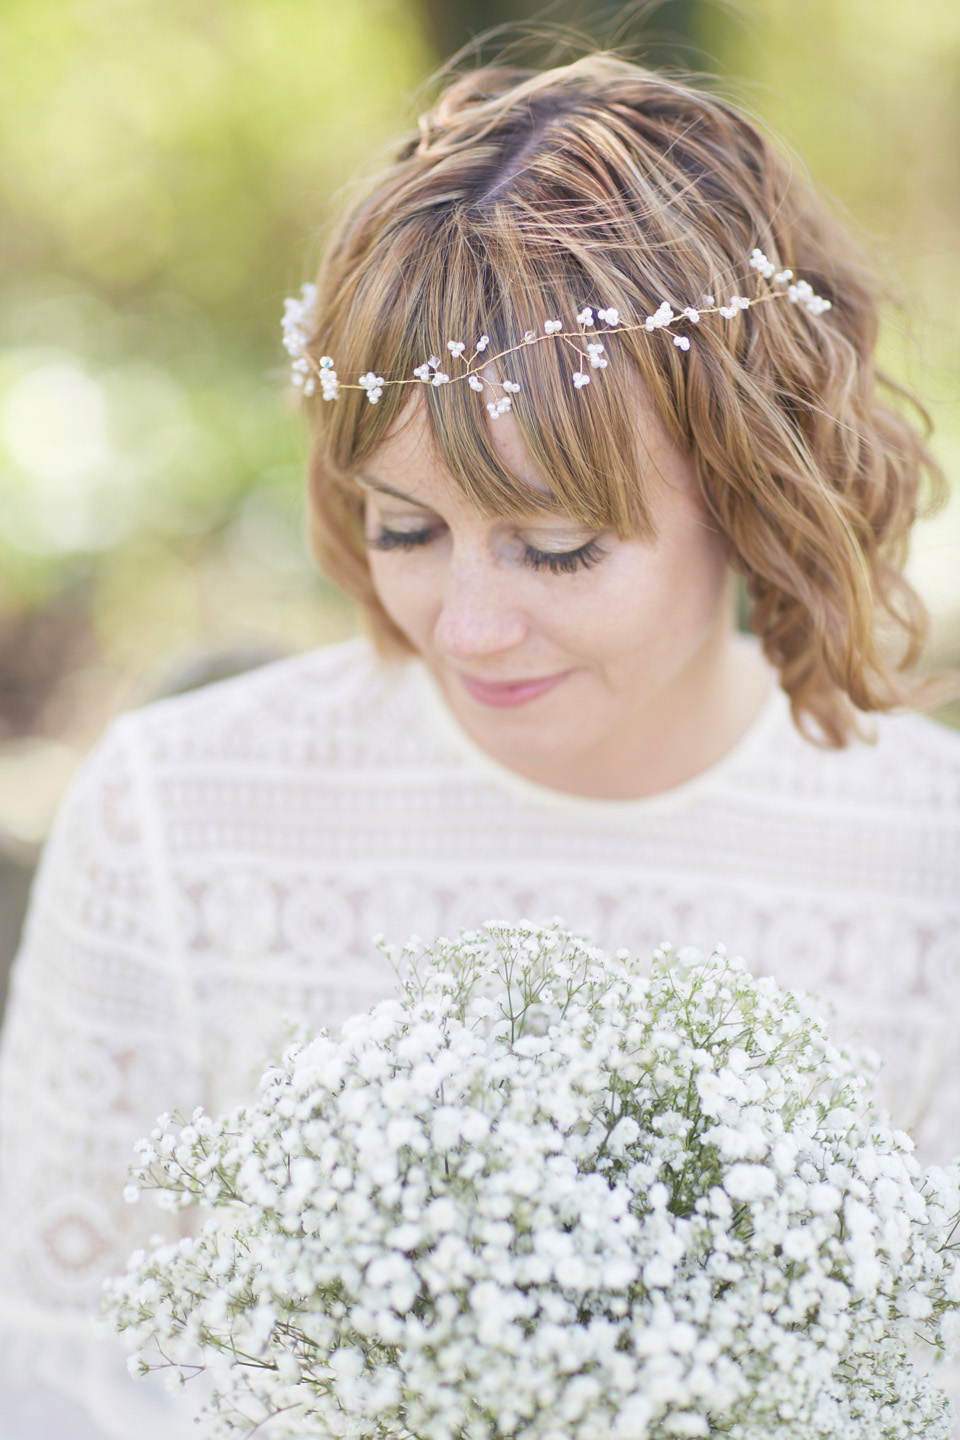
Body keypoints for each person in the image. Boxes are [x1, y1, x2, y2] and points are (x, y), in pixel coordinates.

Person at [1, 50, 958, 1440]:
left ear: (754, 497)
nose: (467, 627)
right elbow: (57, 1364)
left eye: (558, 549)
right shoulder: (180, 816)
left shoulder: (928, 855)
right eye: (407, 529)